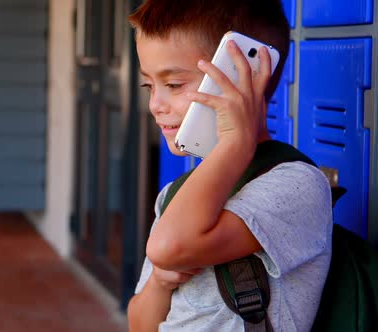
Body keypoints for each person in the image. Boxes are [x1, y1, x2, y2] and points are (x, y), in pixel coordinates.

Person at [126, 1, 333, 331]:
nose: (155, 105)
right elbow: (140, 324)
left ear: (244, 79)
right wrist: (160, 284)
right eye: (149, 85)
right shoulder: (175, 195)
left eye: (174, 85)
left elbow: (168, 248)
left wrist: (236, 142)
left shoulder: (296, 185)